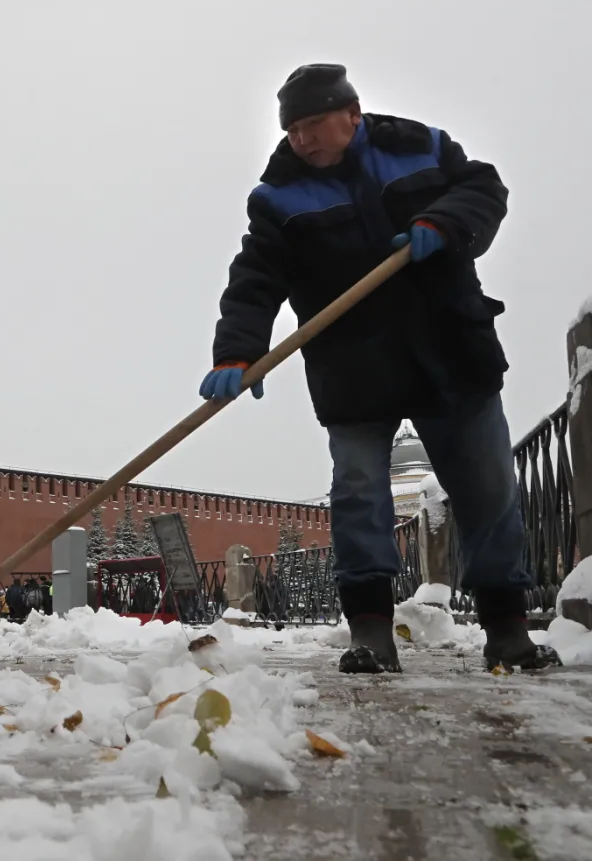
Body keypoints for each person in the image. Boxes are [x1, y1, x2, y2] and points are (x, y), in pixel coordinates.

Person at [201, 64, 559, 674]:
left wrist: (446, 223)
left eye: (314, 124)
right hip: (354, 366)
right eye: (292, 130)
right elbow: (255, 279)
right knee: (360, 492)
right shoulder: (280, 196)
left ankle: (507, 630)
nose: (303, 140)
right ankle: (370, 633)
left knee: (489, 490)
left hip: (451, 351)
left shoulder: (420, 148)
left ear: (352, 114)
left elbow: (483, 189)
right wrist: (237, 350)